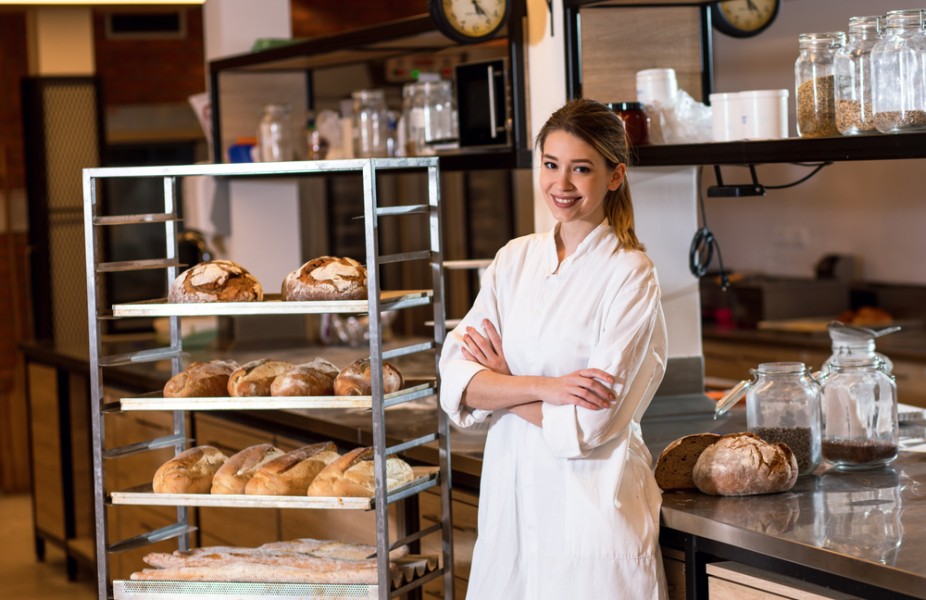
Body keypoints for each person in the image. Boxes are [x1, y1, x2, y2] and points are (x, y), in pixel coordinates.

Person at [438, 98, 668, 599]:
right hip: (511, 516)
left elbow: (592, 423)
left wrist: (503, 382)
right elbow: (455, 379)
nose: (560, 185)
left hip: (591, 510)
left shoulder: (629, 273)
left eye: (580, 169)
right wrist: (546, 388)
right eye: (550, 165)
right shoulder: (514, 259)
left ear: (614, 176)